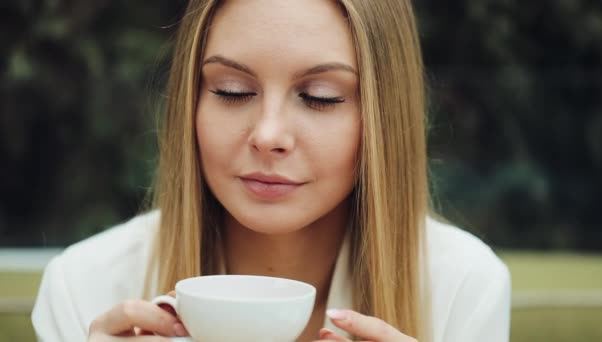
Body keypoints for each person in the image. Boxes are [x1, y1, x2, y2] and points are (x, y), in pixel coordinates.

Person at [31, 0, 511, 341]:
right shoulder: (84, 288)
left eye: (321, 97)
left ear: (384, 117)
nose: (268, 134)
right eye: (233, 90)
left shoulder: (461, 287)